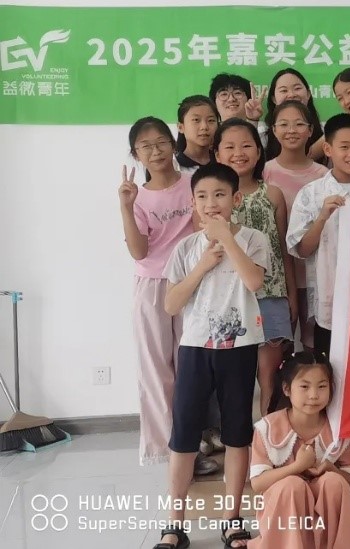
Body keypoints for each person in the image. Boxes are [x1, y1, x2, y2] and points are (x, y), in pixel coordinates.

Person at [158, 162, 270, 549]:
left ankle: (232, 517)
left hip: (239, 348)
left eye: (220, 194)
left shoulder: (254, 239)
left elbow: (254, 281)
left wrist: (227, 239)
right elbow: (171, 304)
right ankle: (174, 524)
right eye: (202, 196)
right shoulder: (186, 248)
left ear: (236, 199)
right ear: (193, 203)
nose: (211, 203)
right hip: (194, 348)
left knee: (237, 433)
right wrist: (203, 265)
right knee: (184, 435)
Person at [248, 351, 350, 548]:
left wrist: (331, 469)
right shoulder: (268, 428)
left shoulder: (337, 429)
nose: (314, 395)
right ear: (287, 389)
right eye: (305, 387)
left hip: (325, 508)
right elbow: (258, 483)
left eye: (322, 386)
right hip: (286, 507)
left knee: (334, 482)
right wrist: (297, 467)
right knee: (291, 485)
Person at [119, 118, 194, 468]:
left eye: (161, 142)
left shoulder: (195, 184)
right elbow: (138, 251)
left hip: (193, 283)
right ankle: (166, 450)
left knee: (191, 368)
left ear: (173, 144)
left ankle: (192, 444)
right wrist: (125, 207)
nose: (156, 151)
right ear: (136, 154)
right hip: (152, 286)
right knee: (154, 370)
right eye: (146, 146)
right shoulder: (138, 197)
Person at [214, 118, 295, 416]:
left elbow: (283, 250)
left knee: (270, 375)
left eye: (247, 145)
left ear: (259, 152)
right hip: (230, 299)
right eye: (230, 147)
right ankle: (238, 434)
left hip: (271, 295)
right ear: (217, 154)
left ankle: (268, 431)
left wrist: (292, 296)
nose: (239, 153)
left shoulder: (272, 195)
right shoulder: (213, 200)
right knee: (235, 375)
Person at [287, 114, 350, 357]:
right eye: (344, 147)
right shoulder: (311, 194)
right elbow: (302, 250)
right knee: (328, 366)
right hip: (329, 300)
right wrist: (322, 217)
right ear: (328, 149)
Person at [264, 100, 330, 350]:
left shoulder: (324, 175)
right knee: (280, 344)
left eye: (299, 124)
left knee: (314, 342)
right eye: (283, 124)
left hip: (316, 272)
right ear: (274, 130)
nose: (291, 130)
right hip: (279, 274)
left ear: (310, 130)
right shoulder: (265, 172)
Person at [263, 68, 325, 162]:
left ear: (308, 94)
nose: (291, 95)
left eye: (297, 88)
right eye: (284, 90)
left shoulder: (325, 132)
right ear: (274, 99)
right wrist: (252, 119)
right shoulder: (264, 134)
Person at [209, 73, 269, 139]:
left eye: (237, 93)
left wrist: (253, 121)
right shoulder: (209, 132)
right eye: (224, 94)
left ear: (248, 99)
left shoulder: (263, 131)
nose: (231, 99)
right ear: (214, 102)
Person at [175, 95, 219, 172]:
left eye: (211, 120)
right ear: (181, 127)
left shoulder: (223, 162)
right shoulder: (174, 166)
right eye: (196, 120)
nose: (204, 127)